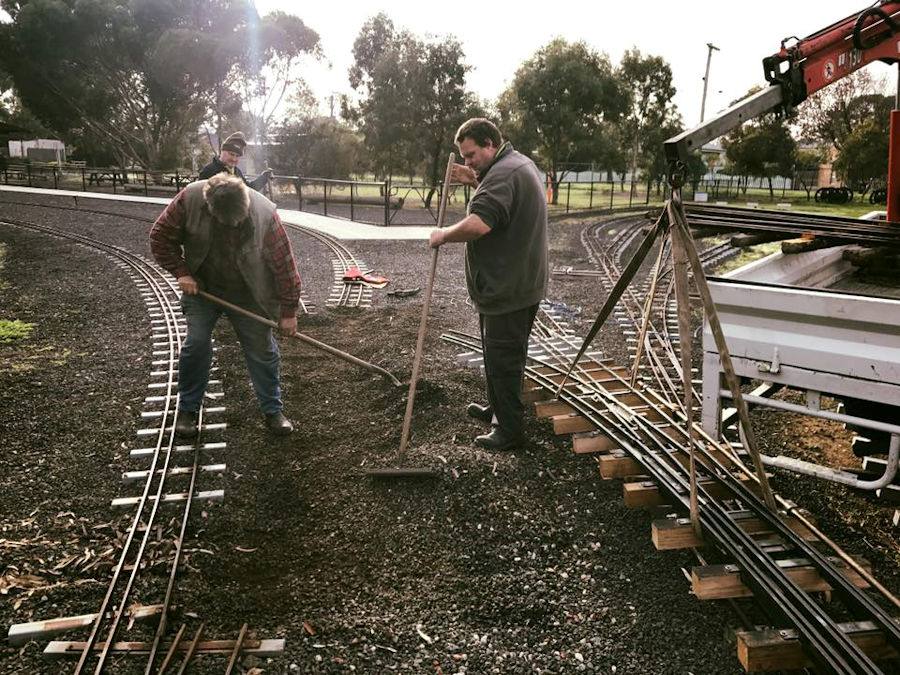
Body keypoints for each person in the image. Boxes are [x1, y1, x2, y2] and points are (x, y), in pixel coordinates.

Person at [150, 173, 301, 437]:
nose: (233, 226)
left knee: (262, 349)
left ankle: (273, 411)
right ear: (210, 208)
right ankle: (187, 410)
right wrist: (182, 272)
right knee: (196, 344)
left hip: (248, 291)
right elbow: (160, 237)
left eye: (238, 221)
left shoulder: (265, 214)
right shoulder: (189, 200)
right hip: (203, 287)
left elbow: (285, 266)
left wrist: (288, 312)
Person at [429, 118, 549, 451]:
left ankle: (509, 431)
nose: (467, 162)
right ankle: (498, 408)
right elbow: (499, 196)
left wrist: (443, 235)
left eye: (470, 155)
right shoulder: (516, 163)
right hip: (520, 281)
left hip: (507, 286)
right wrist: (475, 179)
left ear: (489, 144)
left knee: (503, 357)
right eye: (464, 157)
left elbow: (480, 224)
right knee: (501, 352)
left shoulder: (502, 175)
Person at [199, 131, 272, 192]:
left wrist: (264, 177)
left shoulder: (237, 171)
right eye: (231, 154)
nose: (234, 159)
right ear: (222, 151)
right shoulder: (208, 171)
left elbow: (248, 190)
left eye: (237, 156)